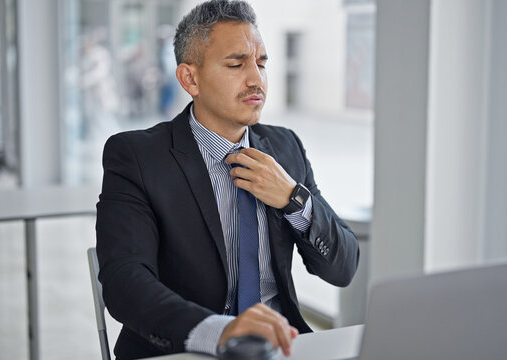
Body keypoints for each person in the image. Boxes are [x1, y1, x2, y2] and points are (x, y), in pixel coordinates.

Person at [95, 1, 359, 359]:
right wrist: (219, 332)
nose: (256, 79)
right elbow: (125, 282)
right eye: (236, 64)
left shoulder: (285, 147)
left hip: (278, 347)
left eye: (261, 63)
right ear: (191, 79)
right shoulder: (137, 157)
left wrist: (293, 198)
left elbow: (343, 268)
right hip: (184, 347)